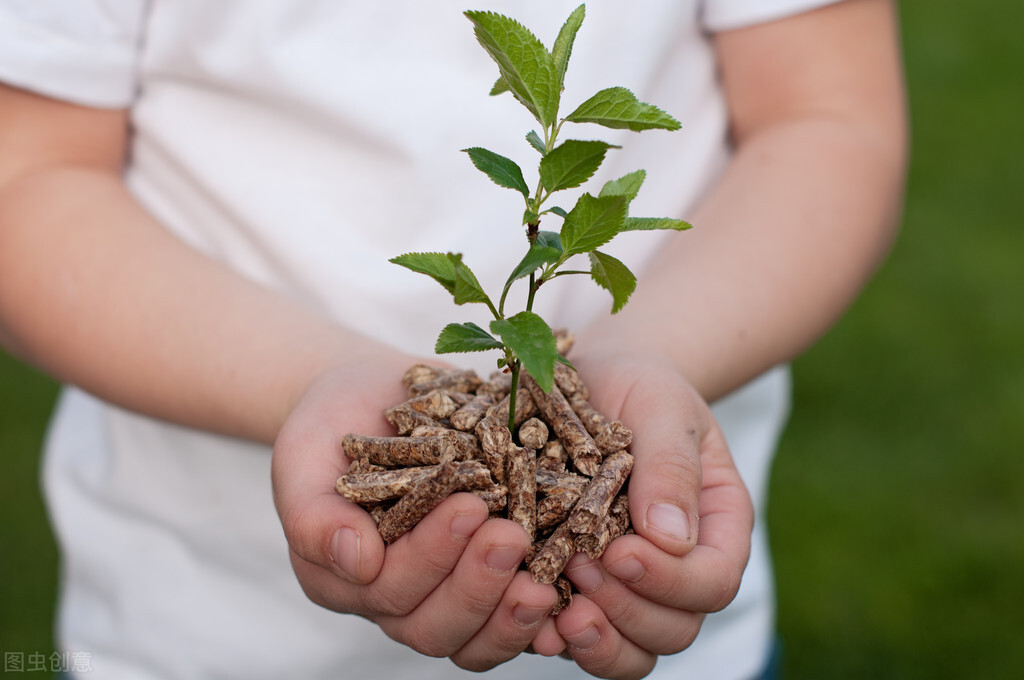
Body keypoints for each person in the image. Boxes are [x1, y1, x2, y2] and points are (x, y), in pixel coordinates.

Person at [0, 1, 906, 678]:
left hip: (666, 619)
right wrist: (311, 379)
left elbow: (822, 113)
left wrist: (657, 354)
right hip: (198, 632)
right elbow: (27, 178)